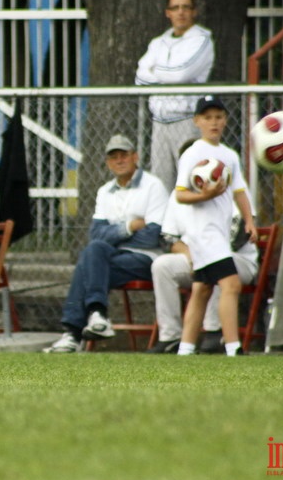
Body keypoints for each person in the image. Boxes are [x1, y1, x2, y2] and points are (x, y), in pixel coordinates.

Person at [43, 134, 168, 353]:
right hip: (110, 258)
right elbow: (96, 235)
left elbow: (152, 237)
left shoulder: (153, 186)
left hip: (146, 258)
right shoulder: (104, 191)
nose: (119, 160)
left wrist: (114, 233)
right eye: (114, 157)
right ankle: (96, 317)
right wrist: (129, 227)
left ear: (135, 157)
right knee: (94, 252)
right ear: (108, 163)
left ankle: (75, 332)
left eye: (124, 155)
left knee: (88, 264)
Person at [174, 95, 256, 357]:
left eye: (218, 117)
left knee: (202, 289)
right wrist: (205, 196)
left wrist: (250, 221)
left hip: (218, 233)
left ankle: (185, 349)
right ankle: (233, 348)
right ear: (197, 121)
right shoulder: (192, 154)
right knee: (231, 284)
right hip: (203, 233)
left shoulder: (228, 155)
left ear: (225, 121)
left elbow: (239, 191)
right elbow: (181, 195)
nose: (214, 123)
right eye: (207, 117)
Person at [148, 193, 258, 354]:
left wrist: (203, 256)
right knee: (162, 265)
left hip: (237, 258)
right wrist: (191, 255)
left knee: (217, 265)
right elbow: (167, 238)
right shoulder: (180, 192)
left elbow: (239, 235)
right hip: (194, 256)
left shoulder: (230, 190)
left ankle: (215, 332)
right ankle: (171, 338)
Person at [135, 0, 215, 192]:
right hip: (160, 121)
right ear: (167, 12)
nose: (181, 12)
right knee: (160, 185)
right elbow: (140, 77)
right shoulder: (158, 42)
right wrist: (166, 73)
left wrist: (156, 70)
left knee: (192, 180)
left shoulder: (202, 39)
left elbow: (181, 74)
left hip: (187, 120)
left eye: (186, 7)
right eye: (176, 8)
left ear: (194, 12)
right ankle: (165, 225)